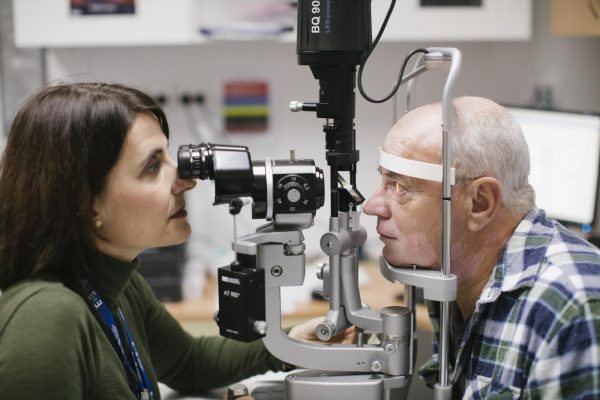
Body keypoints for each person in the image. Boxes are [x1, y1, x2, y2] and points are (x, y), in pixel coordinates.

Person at [0, 82, 353, 400]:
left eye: (169, 155)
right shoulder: (47, 318)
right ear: (88, 203)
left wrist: (292, 343)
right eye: (152, 167)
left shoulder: (117, 285)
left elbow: (189, 363)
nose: (186, 180)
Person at [363, 96, 600, 399]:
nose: (372, 206)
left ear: (479, 203)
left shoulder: (573, 309)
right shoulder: (453, 277)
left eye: (400, 187)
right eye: (384, 181)